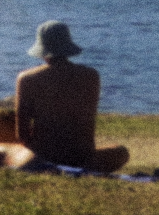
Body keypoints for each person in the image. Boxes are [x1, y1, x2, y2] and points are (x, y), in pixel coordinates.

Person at [14, 21, 128, 173]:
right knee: (121, 152)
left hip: (43, 157)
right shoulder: (91, 76)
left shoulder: (27, 78)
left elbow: (22, 135)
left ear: (42, 49)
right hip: (82, 157)